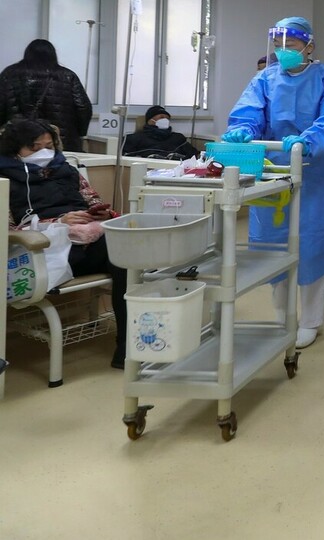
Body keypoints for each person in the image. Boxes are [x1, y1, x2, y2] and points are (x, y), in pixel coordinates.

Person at [222, 16, 324, 349]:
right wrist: (243, 130)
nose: (282, 52)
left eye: (290, 46)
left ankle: (310, 320)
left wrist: (308, 140)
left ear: (309, 46)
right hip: (272, 173)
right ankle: (282, 317)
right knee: (273, 248)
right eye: (278, 46)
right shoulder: (265, 79)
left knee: (312, 247)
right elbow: (249, 113)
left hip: (313, 173)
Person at [2, 118, 127, 369]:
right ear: (15, 150)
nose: (44, 153)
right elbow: (7, 228)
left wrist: (100, 213)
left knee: (127, 258)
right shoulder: (4, 180)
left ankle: (126, 347)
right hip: (43, 251)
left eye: (49, 146)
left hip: (87, 242)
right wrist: (58, 221)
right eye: (35, 148)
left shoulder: (67, 170)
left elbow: (93, 200)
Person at [0, 39, 92, 152]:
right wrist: (79, 134)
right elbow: (83, 108)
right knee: (59, 163)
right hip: (60, 141)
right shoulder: (68, 76)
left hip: (20, 142)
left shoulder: (9, 74)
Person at [121, 105, 199, 160]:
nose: (165, 120)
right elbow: (125, 159)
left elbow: (194, 156)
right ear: (150, 121)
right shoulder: (134, 139)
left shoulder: (178, 138)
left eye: (167, 118)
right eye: (161, 117)